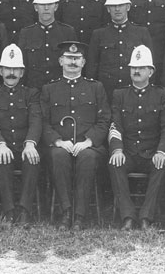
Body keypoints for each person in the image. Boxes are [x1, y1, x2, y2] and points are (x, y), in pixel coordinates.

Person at [40, 41, 111, 229]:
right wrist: (57, 141)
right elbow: (43, 121)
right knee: (57, 155)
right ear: (60, 61)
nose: (73, 62)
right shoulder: (49, 89)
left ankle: (80, 216)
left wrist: (89, 141)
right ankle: (66, 212)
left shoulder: (95, 88)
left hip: (88, 146)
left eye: (77, 58)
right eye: (69, 58)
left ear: (84, 62)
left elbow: (104, 119)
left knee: (87, 157)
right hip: (60, 145)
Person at [108, 46, 165, 230]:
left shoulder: (161, 95)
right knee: (115, 163)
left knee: (162, 165)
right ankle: (128, 216)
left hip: (151, 153)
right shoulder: (120, 94)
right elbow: (115, 125)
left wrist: (161, 152)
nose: (136, 71)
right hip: (128, 153)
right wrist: (117, 149)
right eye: (133, 68)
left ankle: (146, 217)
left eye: (142, 68)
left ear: (151, 71)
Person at [0, 44, 43, 226]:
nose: (11, 73)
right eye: (8, 68)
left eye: (15, 69)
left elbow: (36, 120)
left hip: (24, 146)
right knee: (3, 159)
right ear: (0, 71)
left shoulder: (31, 94)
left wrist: (30, 144)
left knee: (32, 159)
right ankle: (8, 212)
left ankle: (24, 211)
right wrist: (0, 145)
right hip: (3, 146)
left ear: (22, 72)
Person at [86, 0, 152, 97]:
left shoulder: (141, 33)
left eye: (121, 5)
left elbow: (150, 67)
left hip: (133, 94)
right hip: (107, 93)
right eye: (113, 5)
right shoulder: (99, 35)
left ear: (128, 6)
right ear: (108, 8)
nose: (117, 9)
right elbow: (92, 69)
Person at [17, 0, 76, 89]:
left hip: (61, 90)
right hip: (34, 90)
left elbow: (73, 66)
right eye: (42, 5)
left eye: (50, 4)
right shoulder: (26, 33)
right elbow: (23, 67)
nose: (46, 8)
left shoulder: (67, 32)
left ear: (56, 6)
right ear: (35, 7)